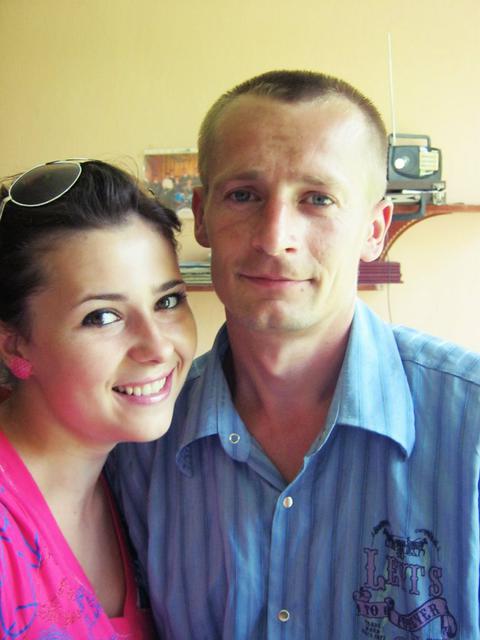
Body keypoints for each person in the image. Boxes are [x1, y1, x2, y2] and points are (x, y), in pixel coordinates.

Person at [110, 70, 480, 639]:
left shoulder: (470, 426)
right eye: (244, 195)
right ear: (202, 216)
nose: (274, 237)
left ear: (375, 228)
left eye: (318, 199)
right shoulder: (140, 442)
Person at [0, 159, 196, 638]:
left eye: (167, 301)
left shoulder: (135, 479)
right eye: (103, 316)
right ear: (13, 344)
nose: (157, 348)